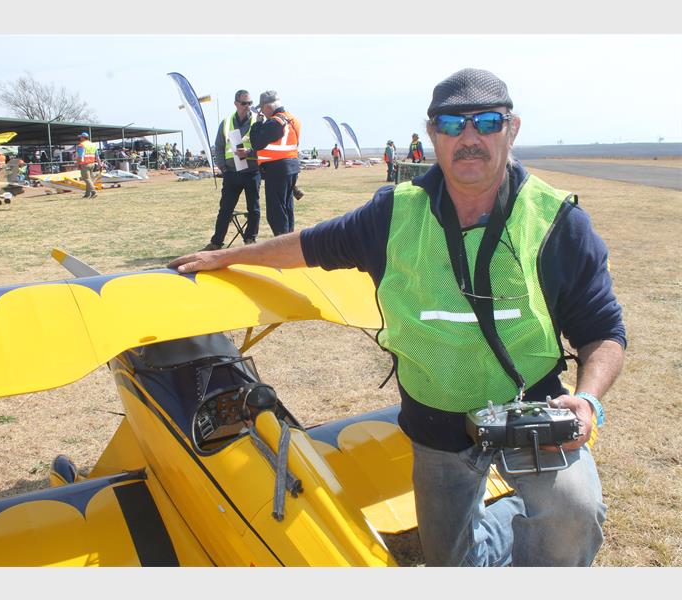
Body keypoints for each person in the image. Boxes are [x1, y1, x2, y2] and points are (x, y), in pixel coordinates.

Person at [168, 67, 625, 567]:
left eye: (487, 122)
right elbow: (310, 245)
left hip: (530, 409)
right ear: (432, 134)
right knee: (450, 562)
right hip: (436, 421)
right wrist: (227, 257)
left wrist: (586, 400)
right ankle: (512, 520)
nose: (469, 138)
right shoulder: (394, 214)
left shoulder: (557, 220)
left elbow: (602, 330)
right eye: (452, 125)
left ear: (511, 130)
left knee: (573, 514)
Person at [200, 90, 262, 251]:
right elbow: (219, 147)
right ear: (236, 104)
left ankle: (250, 240)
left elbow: (264, 147)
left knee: (253, 209)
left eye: (250, 103)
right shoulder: (226, 122)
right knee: (225, 209)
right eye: (244, 103)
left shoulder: (258, 121)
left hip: (252, 172)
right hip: (231, 174)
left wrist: (250, 153)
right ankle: (216, 242)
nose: (248, 106)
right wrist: (223, 167)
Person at [249, 90, 301, 236]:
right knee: (287, 207)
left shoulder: (274, 122)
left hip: (277, 170)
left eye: (262, 109)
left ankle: (282, 244)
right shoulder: (293, 120)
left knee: (275, 212)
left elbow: (257, 143)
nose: (262, 113)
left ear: (267, 107)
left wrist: (257, 125)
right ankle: (289, 240)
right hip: (291, 167)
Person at [75, 131, 101, 198]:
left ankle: (94, 192)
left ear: (83, 138)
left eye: (80, 137)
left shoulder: (81, 145)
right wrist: (99, 164)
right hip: (92, 164)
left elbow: (80, 156)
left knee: (86, 179)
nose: (80, 138)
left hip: (85, 164)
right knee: (89, 179)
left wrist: (78, 164)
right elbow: (97, 156)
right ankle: (87, 194)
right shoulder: (93, 145)